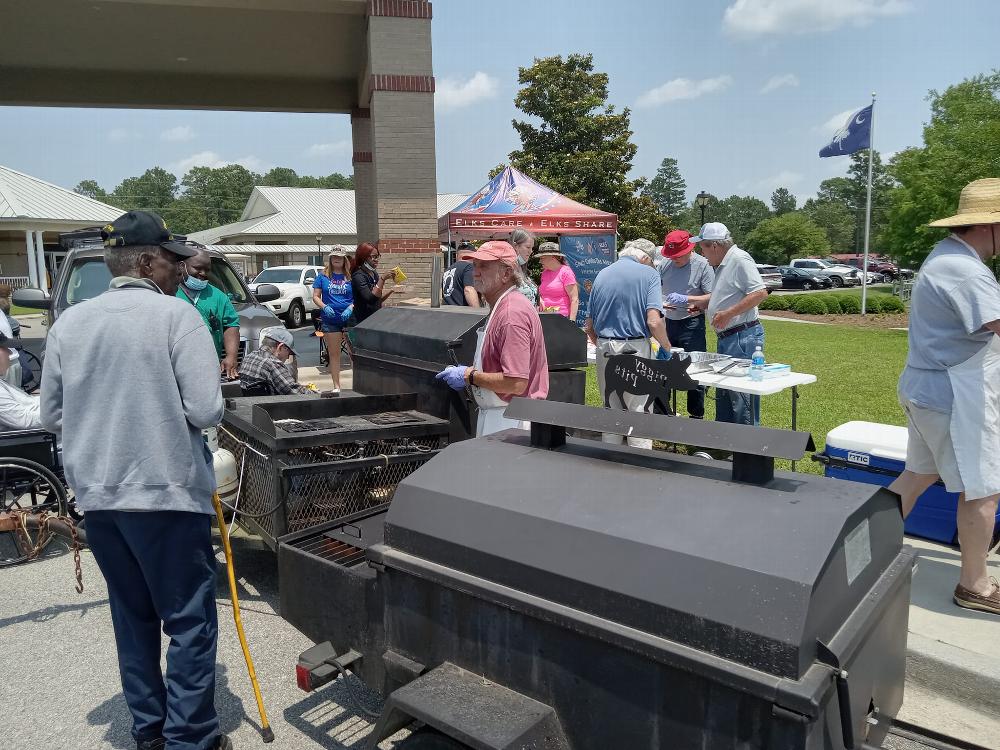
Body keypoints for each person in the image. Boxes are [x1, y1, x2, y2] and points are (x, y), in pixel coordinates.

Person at [38, 210, 231, 750]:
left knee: (133, 617)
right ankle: (190, 738)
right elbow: (207, 409)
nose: (179, 268)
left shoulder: (70, 323)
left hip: (100, 497)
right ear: (146, 262)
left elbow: (51, 415)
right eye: (171, 259)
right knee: (189, 621)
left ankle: (150, 730)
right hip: (166, 491)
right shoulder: (176, 317)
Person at [888, 178, 1000, 615]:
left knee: (917, 475)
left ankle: (858, 550)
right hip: (956, 396)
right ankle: (975, 585)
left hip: (929, 390)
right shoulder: (967, 271)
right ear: (989, 225)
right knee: (983, 489)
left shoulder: (946, 257)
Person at [435, 241, 549, 436]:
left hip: (512, 421)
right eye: (475, 265)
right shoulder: (501, 306)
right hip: (500, 415)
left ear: (506, 273)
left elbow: (515, 383)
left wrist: (469, 376)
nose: (475, 272)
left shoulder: (512, 314)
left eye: (484, 266)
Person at [584, 242, 672, 449]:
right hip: (635, 347)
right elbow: (654, 321)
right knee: (639, 410)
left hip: (605, 347)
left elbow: (589, 326)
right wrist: (666, 346)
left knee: (611, 408)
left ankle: (610, 459)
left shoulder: (602, 274)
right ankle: (639, 464)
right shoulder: (648, 275)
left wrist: (603, 344)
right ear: (645, 258)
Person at [687, 223, 767, 426]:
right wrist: (705, 304)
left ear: (714, 245)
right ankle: (723, 442)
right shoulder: (724, 263)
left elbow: (759, 293)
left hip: (742, 336)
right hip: (731, 336)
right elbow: (727, 295)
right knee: (724, 391)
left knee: (740, 395)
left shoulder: (739, 259)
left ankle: (745, 449)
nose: (701, 253)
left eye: (702, 247)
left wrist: (728, 314)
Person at [660, 230, 715, 419]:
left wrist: (695, 304)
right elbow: (656, 289)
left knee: (694, 369)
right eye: (671, 255)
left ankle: (696, 416)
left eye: (678, 256)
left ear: (689, 250)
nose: (674, 259)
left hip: (691, 324)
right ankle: (663, 413)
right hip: (668, 322)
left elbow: (712, 297)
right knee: (664, 368)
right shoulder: (665, 264)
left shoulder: (703, 265)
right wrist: (660, 302)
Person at [175, 248, 241, 380]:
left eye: (207, 269)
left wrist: (231, 356)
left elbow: (231, 325)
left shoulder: (218, 296)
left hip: (209, 368)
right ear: (182, 266)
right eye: (198, 268)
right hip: (175, 367)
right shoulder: (169, 291)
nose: (203, 273)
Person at [312, 247, 354, 393]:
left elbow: (357, 297)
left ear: (344, 259)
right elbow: (316, 296)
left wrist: (351, 308)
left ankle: (358, 384)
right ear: (330, 258)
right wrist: (324, 307)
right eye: (334, 256)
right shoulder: (323, 276)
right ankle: (336, 386)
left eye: (340, 257)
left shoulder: (350, 276)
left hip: (349, 319)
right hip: (330, 319)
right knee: (334, 354)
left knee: (353, 353)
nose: (337, 259)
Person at [239, 326, 315, 396]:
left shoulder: (248, 358)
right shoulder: (273, 364)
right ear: (280, 347)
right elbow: (294, 392)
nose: (288, 356)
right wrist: (316, 394)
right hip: (271, 407)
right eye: (289, 352)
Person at [351, 242, 395, 323]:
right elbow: (370, 299)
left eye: (378, 256)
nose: (376, 260)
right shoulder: (358, 276)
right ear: (364, 257)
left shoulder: (374, 274)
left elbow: (378, 299)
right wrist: (382, 279)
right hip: (361, 322)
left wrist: (392, 290)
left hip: (374, 319)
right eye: (374, 257)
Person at [0, 343, 40, 430]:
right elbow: (25, 421)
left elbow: (29, 402)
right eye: (4, 348)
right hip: (34, 439)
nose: (10, 353)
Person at [536, 242, 579, 320]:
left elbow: (574, 299)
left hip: (561, 319)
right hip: (545, 317)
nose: (540, 261)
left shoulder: (566, 272)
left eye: (542, 258)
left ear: (553, 257)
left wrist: (572, 321)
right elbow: (543, 293)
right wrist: (540, 299)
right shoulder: (544, 273)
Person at [442, 242, 480, 307]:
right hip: (463, 312)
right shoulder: (469, 267)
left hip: (448, 312)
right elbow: (468, 290)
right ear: (474, 256)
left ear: (456, 255)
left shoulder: (447, 270)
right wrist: (478, 311)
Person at [509, 228, 538, 305]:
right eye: (528, 247)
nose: (531, 251)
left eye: (532, 248)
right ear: (516, 246)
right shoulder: (507, 270)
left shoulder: (522, 268)